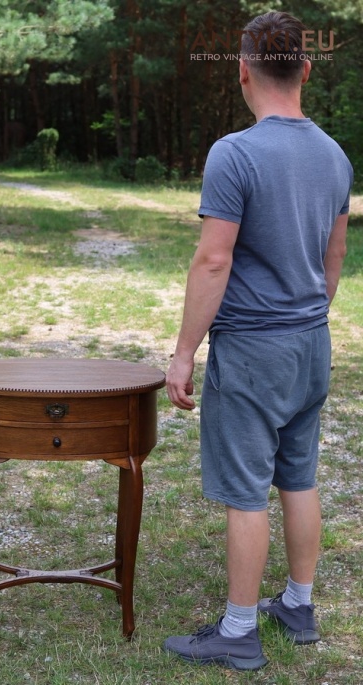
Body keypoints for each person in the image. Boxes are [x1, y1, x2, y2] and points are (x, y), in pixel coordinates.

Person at [163, 11, 353, 672]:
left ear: (243, 71)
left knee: (246, 490)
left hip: (252, 350)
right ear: (305, 70)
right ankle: (298, 605)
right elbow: (335, 257)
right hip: (311, 343)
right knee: (298, 476)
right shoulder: (334, 155)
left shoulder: (235, 153)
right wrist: (306, 318)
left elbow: (213, 260)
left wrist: (183, 353)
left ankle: (239, 631)